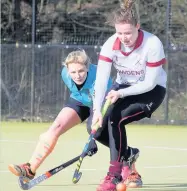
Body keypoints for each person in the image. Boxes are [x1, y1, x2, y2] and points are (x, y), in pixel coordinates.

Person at [89, 0, 167, 191]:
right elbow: (100, 80)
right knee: (96, 128)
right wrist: (97, 109)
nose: (124, 38)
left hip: (151, 91)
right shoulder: (110, 45)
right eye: (120, 33)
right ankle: (128, 154)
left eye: (128, 33)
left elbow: (149, 83)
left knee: (116, 118)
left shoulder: (152, 43)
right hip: (121, 87)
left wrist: (121, 92)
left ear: (137, 28)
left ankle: (114, 176)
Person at [8, 50, 111, 180]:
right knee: (55, 127)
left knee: (104, 135)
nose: (77, 76)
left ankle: (130, 164)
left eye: (81, 71)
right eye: (73, 72)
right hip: (80, 100)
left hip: (102, 102)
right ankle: (30, 168)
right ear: (67, 70)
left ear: (88, 68)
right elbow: (78, 92)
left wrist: (93, 135)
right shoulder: (65, 75)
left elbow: (100, 102)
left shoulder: (99, 77)